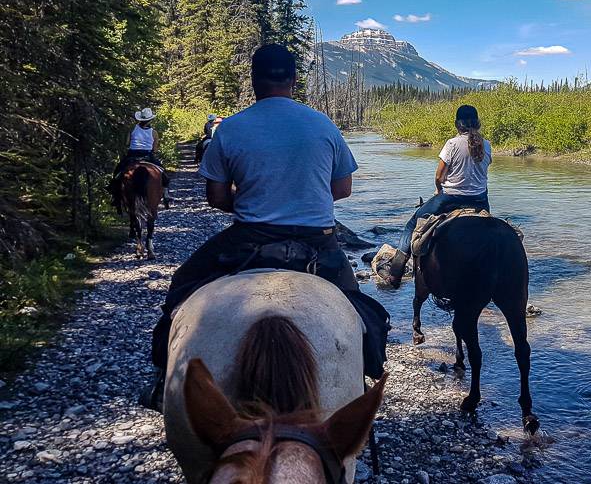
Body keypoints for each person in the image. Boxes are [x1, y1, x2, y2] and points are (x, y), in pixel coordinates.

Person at [143, 44, 385, 410]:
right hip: (317, 242)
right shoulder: (323, 125)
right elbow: (343, 189)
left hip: (249, 239)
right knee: (363, 311)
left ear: (254, 80)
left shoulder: (231, 128)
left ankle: (163, 380)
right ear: (292, 79)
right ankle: (365, 375)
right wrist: (304, 197)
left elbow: (217, 197)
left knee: (182, 287)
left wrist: (255, 198)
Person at [383, 104, 492, 288]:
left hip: (451, 198)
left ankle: (396, 273)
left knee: (411, 224)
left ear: (458, 124)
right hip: (480, 200)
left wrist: (438, 190)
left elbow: (439, 176)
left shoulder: (452, 144)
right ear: (478, 123)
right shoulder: (486, 144)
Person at [109, 108, 169, 211]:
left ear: (140, 119)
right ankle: (166, 194)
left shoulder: (132, 129)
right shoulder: (154, 132)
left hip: (132, 155)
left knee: (118, 172)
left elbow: (127, 143)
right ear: (150, 120)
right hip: (147, 156)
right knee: (163, 173)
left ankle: (115, 196)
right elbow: (154, 149)